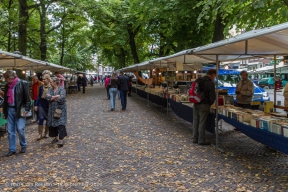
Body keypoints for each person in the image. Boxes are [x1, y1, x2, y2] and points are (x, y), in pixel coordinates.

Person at [1, 70, 31, 156]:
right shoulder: (7, 86)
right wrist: (4, 111)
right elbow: (6, 100)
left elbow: (27, 98)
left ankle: (23, 144)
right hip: (10, 109)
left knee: (20, 128)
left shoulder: (23, 83)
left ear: (10, 78)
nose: (5, 80)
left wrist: (27, 109)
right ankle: (12, 149)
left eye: (6, 78)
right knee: (10, 130)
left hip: (20, 109)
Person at [192, 69, 216, 145]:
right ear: (212, 75)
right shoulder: (210, 82)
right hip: (204, 104)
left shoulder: (198, 80)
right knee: (202, 122)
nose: (214, 77)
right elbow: (212, 96)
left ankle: (195, 138)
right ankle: (201, 140)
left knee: (196, 121)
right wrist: (210, 103)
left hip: (196, 102)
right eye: (214, 76)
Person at [46, 77, 67, 147]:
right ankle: (56, 137)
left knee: (60, 123)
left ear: (55, 82)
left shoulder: (61, 89)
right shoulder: (50, 89)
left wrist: (53, 97)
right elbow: (48, 97)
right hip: (51, 110)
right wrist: (56, 96)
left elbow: (62, 98)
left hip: (59, 109)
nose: (50, 83)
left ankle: (61, 139)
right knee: (52, 124)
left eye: (51, 82)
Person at [34, 74, 51, 140]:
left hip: (49, 105)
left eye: (44, 79)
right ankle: (40, 133)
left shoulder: (51, 87)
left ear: (48, 79)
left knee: (48, 120)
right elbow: (39, 96)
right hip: (41, 104)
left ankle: (46, 133)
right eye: (43, 79)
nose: (43, 80)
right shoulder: (41, 87)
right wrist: (36, 105)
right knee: (41, 118)